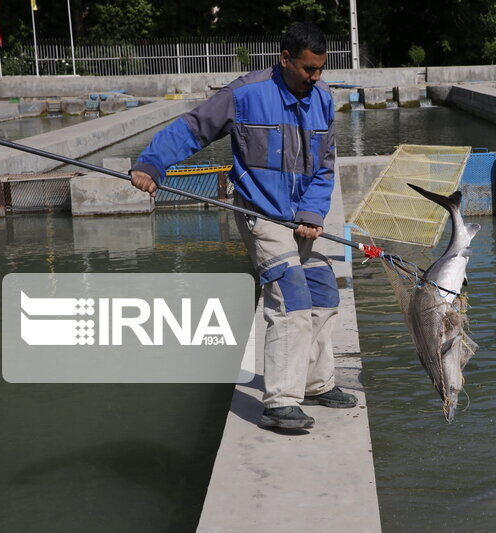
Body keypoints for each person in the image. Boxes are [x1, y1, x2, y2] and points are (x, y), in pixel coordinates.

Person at [129, 22, 356, 430]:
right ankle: (281, 402)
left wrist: (311, 214)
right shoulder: (245, 94)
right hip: (261, 214)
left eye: (320, 68)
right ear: (285, 59)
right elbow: (192, 129)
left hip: (301, 217)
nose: (315, 77)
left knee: (324, 292)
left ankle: (317, 383)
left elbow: (324, 167)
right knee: (290, 296)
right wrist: (151, 164)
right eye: (308, 69)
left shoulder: (322, 100)